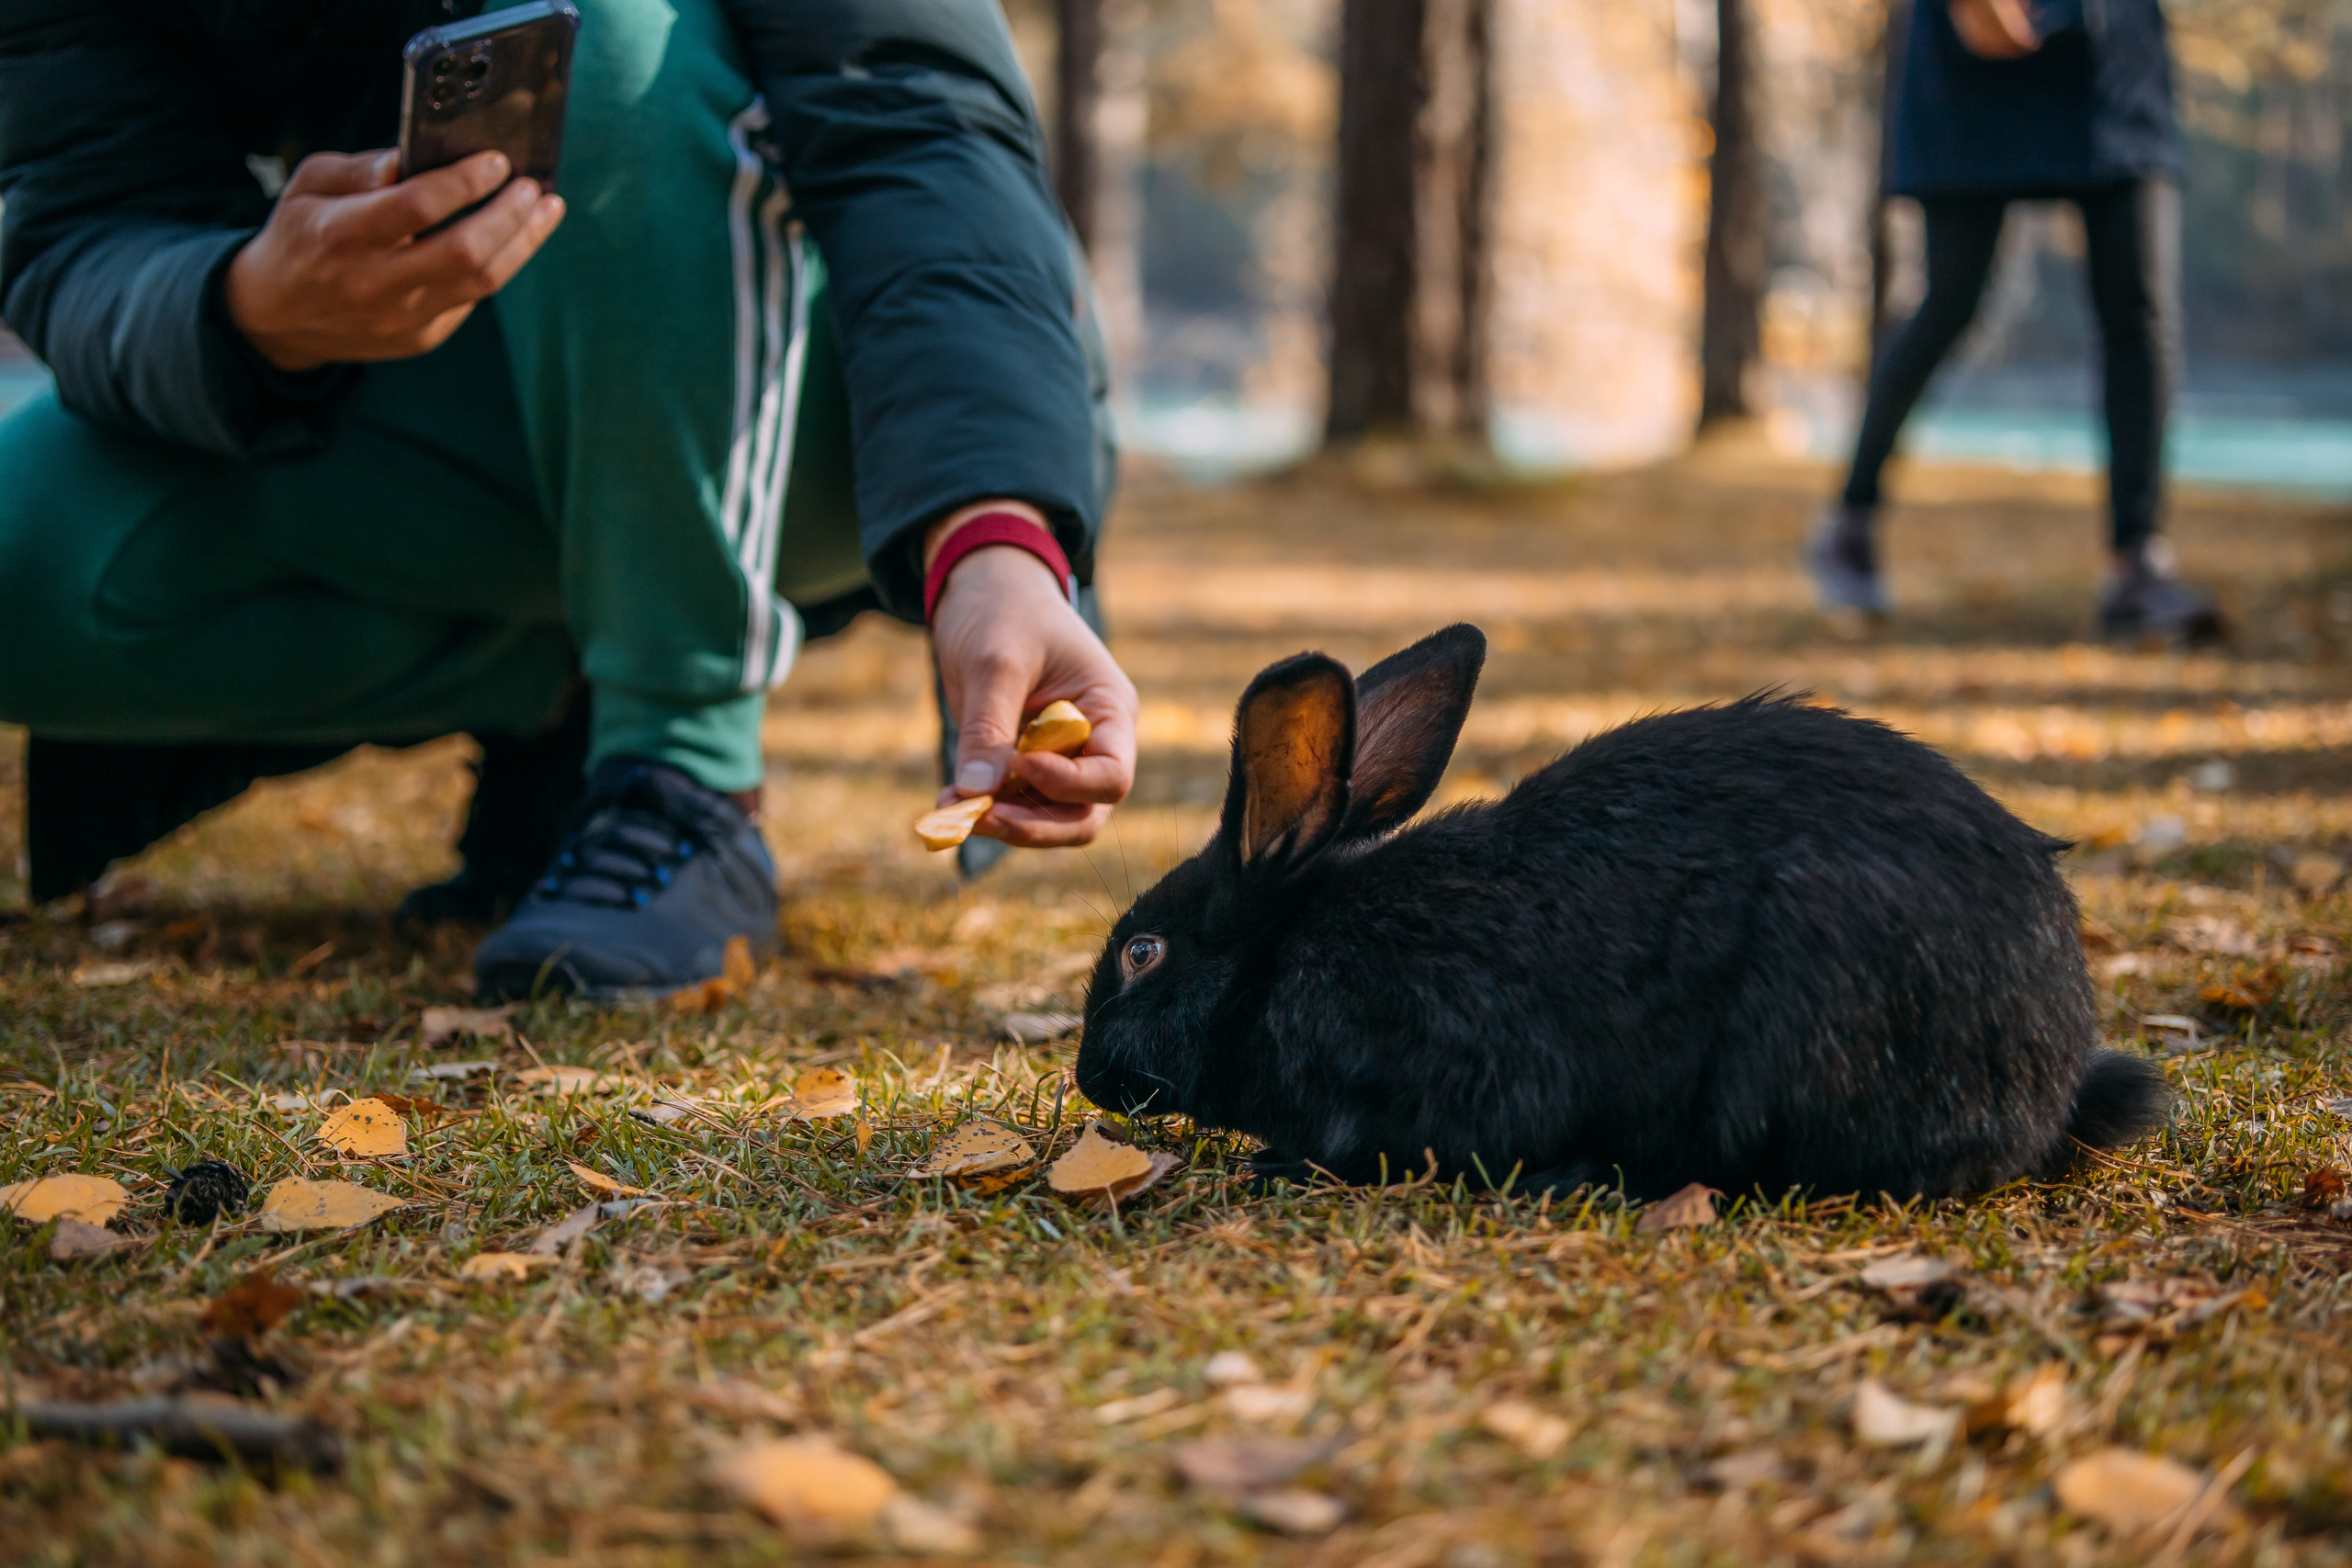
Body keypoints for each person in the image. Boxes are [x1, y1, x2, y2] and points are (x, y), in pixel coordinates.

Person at [0, 0, 1138, 998]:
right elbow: (80, 215)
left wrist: (994, 535)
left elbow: (925, 126)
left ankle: (683, 766)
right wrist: (249, 305)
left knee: (602, 37)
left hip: (837, 379)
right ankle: (564, 697)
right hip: (443, 375)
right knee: (29, 555)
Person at [1811, 0, 2220, 641]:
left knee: (2139, 310)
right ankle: (1850, 524)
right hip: (1974, 54)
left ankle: (2138, 563)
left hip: (2112, 57)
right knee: (1949, 303)